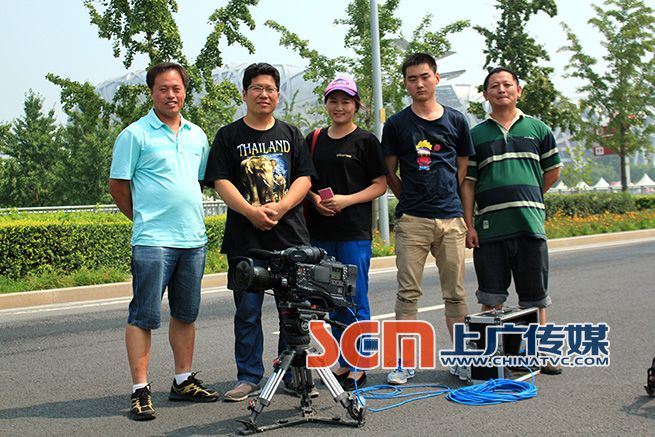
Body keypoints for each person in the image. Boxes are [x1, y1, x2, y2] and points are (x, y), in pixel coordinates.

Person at [108, 62, 218, 421]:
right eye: (163, 88)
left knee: (186, 314)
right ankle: (140, 389)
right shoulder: (134, 135)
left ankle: (183, 380)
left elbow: (197, 181)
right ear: (152, 92)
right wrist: (142, 218)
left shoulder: (197, 135)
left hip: (193, 239)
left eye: (177, 88)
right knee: (143, 315)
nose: (171, 95)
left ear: (185, 92)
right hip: (153, 241)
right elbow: (118, 185)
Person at [204, 62, 317, 402]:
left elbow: (304, 178)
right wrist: (251, 212)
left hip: (290, 238)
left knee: (293, 312)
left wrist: (281, 208)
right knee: (248, 312)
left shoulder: (291, 133)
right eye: (257, 88)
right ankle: (249, 376)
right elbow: (220, 181)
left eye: (269, 89)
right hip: (245, 240)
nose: (263, 94)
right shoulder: (228, 136)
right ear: (245, 94)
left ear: (278, 95)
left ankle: (291, 374)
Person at [461, 66, 563, 375]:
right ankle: (491, 356)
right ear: (485, 94)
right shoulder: (476, 135)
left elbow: (552, 171)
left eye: (507, 84)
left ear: (518, 91)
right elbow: (468, 183)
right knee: (491, 296)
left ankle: (537, 352)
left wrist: (528, 197)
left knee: (535, 298)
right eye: (494, 86)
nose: (501, 89)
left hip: (529, 226)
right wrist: (469, 224)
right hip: (490, 229)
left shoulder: (538, 129)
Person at [382, 53, 474, 385]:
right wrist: (409, 198)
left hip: (450, 220)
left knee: (456, 294)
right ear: (405, 84)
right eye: (412, 79)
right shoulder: (396, 124)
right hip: (412, 221)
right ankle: (404, 362)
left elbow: (461, 167)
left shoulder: (457, 121)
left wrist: (450, 199)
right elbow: (390, 172)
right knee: (407, 293)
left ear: (436, 78)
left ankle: (462, 359)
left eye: (424, 77)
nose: (419, 84)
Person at [305, 76, 387, 390]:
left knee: (355, 299)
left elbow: (380, 185)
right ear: (326, 103)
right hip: (320, 232)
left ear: (356, 105)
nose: (339, 107)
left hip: (354, 232)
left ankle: (359, 365)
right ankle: (343, 361)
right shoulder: (314, 139)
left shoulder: (366, 141)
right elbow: (304, 180)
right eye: (333, 101)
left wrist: (347, 200)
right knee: (332, 300)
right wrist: (315, 199)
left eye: (346, 101)